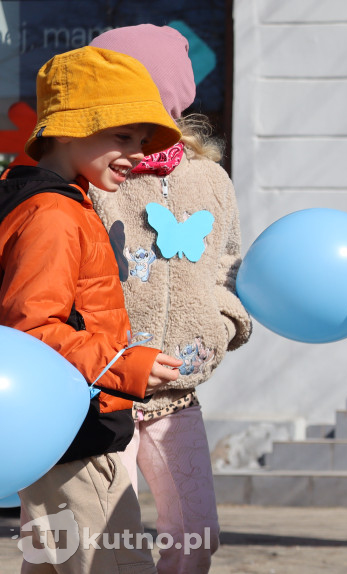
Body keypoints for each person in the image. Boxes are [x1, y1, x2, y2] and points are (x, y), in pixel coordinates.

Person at [0, 46, 184, 573]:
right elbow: (31, 329)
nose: (136, 154)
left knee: (51, 567)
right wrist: (129, 365)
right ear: (67, 130)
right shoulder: (53, 213)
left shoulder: (39, 198)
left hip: (47, 434)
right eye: (121, 137)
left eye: (142, 142)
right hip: (76, 435)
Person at [86, 25, 253, 574]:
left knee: (197, 533)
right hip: (103, 392)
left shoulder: (209, 179)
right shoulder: (95, 178)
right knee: (103, 540)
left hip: (176, 396)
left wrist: (222, 324)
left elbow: (227, 264)